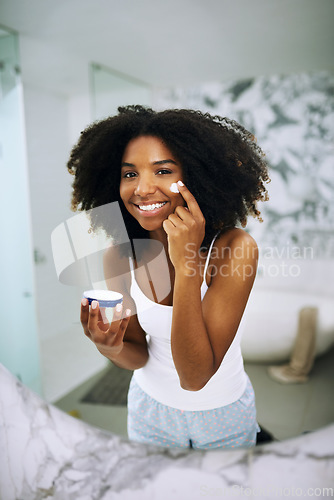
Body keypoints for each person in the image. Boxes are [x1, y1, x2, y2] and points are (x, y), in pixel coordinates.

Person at [67, 105, 270, 449]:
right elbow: (139, 355)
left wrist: (186, 264)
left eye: (162, 171)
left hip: (221, 414)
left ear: (196, 176)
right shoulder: (119, 256)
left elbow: (195, 377)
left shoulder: (235, 247)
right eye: (129, 174)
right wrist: (109, 346)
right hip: (150, 412)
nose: (143, 188)